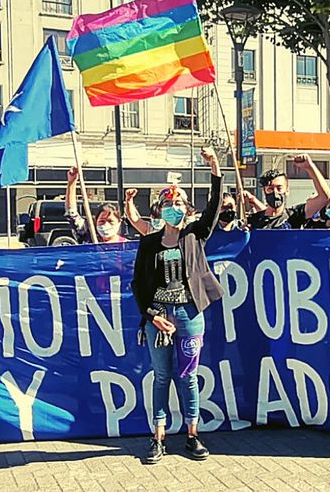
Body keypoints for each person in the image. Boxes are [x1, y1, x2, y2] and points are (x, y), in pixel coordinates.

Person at [131, 147, 223, 464]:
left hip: (189, 314)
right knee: (161, 376)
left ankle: (192, 434)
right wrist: (152, 316)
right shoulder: (149, 243)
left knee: (188, 376)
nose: (174, 207)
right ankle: (158, 437)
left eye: (180, 202)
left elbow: (214, 205)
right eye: (169, 203)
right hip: (159, 318)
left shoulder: (195, 235)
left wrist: (214, 167)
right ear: (160, 209)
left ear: (187, 209)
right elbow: (139, 285)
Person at [247, 154, 330, 230]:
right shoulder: (253, 220)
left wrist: (310, 167)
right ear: (264, 191)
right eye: (270, 189)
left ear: (287, 190)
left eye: (279, 188)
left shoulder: (294, 216)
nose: (275, 192)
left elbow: (325, 198)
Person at [66, 167, 127, 244]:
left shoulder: (126, 245)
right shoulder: (88, 237)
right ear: (96, 221)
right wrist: (72, 182)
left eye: (110, 221)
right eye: (102, 221)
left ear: (119, 222)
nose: (106, 225)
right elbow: (71, 213)